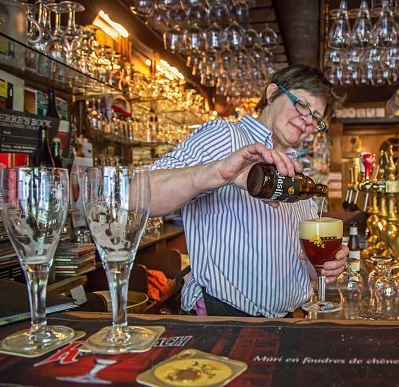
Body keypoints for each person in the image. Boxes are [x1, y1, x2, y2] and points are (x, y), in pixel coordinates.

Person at [147, 65, 348, 318]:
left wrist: (323, 265)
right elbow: (138, 195)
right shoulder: (224, 137)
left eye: (316, 119)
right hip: (226, 317)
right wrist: (216, 173)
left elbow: (301, 261)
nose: (308, 121)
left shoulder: (295, 171)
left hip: (287, 321)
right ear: (273, 93)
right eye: (302, 105)